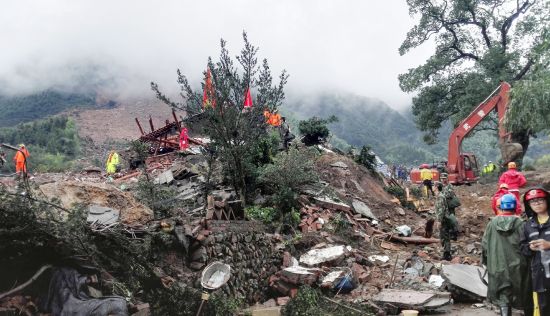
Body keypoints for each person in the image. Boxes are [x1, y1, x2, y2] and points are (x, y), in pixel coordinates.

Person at [482, 193, 530, 316]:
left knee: (503, 295)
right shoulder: (522, 224)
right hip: (518, 266)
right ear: (515, 207)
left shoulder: (492, 224)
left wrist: (486, 262)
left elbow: (485, 246)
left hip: (498, 265)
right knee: (523, 292)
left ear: (501, 207)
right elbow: (526, 246)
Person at [521, 187, 550, 316]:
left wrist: (549, 245)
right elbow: (522, 248)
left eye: (540, 200)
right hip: (539, 278)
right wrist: (529, 248)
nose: (537, 204)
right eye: (533, 202)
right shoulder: (527, 225)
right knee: (542, 309)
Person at [435, 180, 460, 261]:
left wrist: (439, 221)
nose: (432, 187)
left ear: (436, 187)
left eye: (433, 186)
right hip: (444, 218)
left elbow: (441, 210)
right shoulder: (440, 196)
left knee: (445, 237)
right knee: (444, 236)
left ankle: (447, 255)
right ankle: (446, 252)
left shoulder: (440, 197)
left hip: (444, 220)